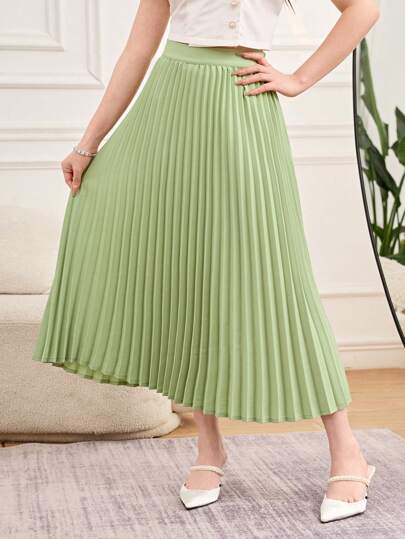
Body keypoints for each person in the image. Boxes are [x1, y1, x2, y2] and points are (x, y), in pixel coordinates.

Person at [32, 0, 380, 522]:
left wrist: (299, 79)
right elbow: (138, 49)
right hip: (169, 108)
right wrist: (88, 145)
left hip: (242, 111)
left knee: (279, 279)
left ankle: (347, 451)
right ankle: (210, 447)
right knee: (189, 274)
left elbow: (363, 9)